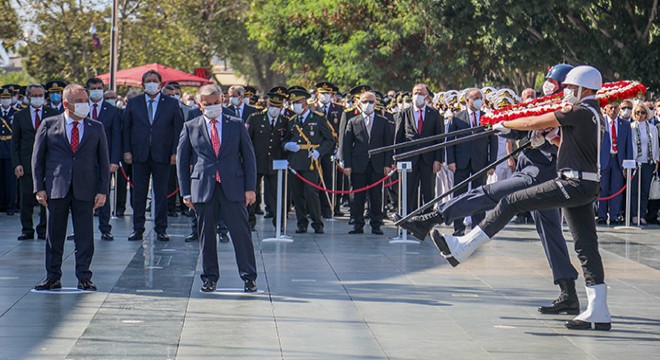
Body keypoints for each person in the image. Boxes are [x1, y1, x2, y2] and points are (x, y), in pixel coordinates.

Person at [431, 66, 612, 331]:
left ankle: (462, 247)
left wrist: (503, 123)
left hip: (572, 183)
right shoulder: (595, 115)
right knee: (586, 246)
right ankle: (599, 310)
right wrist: (549, 140)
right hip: (585, 184)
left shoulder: (579, 111)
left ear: (585, 89)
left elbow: (531, 122)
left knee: (511, 201)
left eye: (571, 88)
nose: (567, 93)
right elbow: (571, 146)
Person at [399, 64, 584, 315]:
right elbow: (523, 128)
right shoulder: (546, 104)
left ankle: (435, 216)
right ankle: (568, 292)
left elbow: (560, 139)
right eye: (548, 79)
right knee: (551, 234)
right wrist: (507, 127)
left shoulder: (569, 110)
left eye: (553, 80)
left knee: (491, 193)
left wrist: (540, 136)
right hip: (530, 169)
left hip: (541, 174)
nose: (548, 83)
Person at [177, 84, 258, 293]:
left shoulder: (236, 124)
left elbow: (248, 158)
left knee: (241, 233)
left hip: (233, 186)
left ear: (222, 101)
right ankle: (210, 277)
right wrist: (185, 192)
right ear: (200, 105)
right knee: (206, 235)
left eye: (215, 103)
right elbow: (182, 160)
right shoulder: (191, 126)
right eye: (207, 104)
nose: (212, 107)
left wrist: (250, 188)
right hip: (203, 187)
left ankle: (249, 277)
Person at [32, 84, 110, 291]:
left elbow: (103, 161)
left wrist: (103, 191)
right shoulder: (49, 125)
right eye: (80, 102)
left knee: (84, 235)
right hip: (56, 188)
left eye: (86, 101)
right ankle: (52, 276)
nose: (85, 105)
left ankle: (84, 276)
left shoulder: (96, 127)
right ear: (66, 104)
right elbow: (37, 160)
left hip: (86, 188)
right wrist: (39, 188)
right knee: (54, 235)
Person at [122, 70, 183, 241]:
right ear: (142, 84)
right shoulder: (134, 103)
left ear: (160, 83)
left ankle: (161, 229)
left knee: (161, 193)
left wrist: (175, 152)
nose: (151, 83)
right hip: (139, 154)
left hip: (162, 154)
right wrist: (126, 150)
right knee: (138, 193)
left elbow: (177, 129)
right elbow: (126, 128)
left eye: (154, 80)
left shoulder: (171, 104)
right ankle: (138, 228)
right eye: (147, 80)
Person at [445, 88, 497, 235]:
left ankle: (478, 227)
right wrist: (451, 161)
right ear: (467, 100)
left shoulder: (487, 118)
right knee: (459, 195)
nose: (479, 100)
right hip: (461, 162)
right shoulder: (457, 118)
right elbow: (450, 141)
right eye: (475, 98)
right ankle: (458, 227)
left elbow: (493, 142)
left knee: (479, 195)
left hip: (480, 163)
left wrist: (492, 163)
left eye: (480, 97)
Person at [283, 88, 334, 234]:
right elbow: (285, 139)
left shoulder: (318, 118)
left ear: (305, 103)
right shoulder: (292, 121)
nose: (294, 106)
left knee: (311, 193)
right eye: (293, 103)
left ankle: (317, 223)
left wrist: (319, 151)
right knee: (297, 194)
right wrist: (287, 145)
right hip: (295, 161)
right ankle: (302, 223)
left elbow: (329, 140)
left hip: (310, 161)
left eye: (297, 102)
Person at [342, 91, 393, 235]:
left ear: (376, 103)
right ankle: (358, 224)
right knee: (357, 196)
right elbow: (347, 145)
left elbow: (388, 144)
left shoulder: (383, 121)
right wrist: (347, 164)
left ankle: (376, 224)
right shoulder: (353, 121)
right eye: (365, 101)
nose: (368, 105)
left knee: (376, 195)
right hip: (358, 164)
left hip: (377, 164)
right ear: (359, 103)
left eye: (371, 101)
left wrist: (387, 164)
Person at [12, 84, 57, 240]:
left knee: (46, 198)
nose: (38, 98)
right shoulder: (20, 116)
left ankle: (43, 229)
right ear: (28, 97)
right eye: (35, 95)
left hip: (47, 163)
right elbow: (15, 143)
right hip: (26, 164)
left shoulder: (53, 114)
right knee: (26, 198)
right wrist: (17, 164)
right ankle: (27, 229)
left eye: (41, 95)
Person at [394, 83, 445, 215]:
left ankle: (426, 222)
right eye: (415, 93)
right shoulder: (404, 113)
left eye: (421, 93)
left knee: (428, 192)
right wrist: (397, 159)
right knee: (407, 192)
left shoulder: (434, 114)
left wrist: (438, 160)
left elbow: (439, 138)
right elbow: (398, 138)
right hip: (409, 159)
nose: (418, 96)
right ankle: (407, 220)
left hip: (428, 159)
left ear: (427, 96)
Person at [246, 90, 289, 228]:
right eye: (272, 106)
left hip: (275, 162)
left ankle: (279, 223)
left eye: (278, 107)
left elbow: (286, 139)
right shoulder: (255, 118)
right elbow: (247, 140)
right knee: (253, 192)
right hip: (256, 161)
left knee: (277, 194)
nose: (275, 109)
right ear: (268, 105)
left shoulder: (285, 121)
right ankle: (249, 221)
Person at [312, 82, 345, 218]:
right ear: (317, 94)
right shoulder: (311, 108)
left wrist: (339, 149)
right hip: (314, 147)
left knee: (330, 179)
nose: (325, 96)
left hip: (331, 149)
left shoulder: (339, 109)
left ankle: (330, 208)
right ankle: (315, 209)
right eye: (322, 93)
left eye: (328, 93)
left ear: (332, 94)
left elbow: (341, 130)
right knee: (314, 180)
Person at [598, 101, 633, 224]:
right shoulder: (600, 123)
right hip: (604, 160)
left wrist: (628, 163)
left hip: (618, 160)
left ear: (619, 109)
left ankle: (615, 215)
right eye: (611, 108)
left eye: (616, 108)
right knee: (602, 189)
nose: (613, 110)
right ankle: (601, 215)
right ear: (606, 109)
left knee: (616, 189)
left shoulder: (625, 124)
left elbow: (629, 145)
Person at [629, 103, 659, 225]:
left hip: (648, 162)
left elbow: (656, 145)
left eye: (642, 112)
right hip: (635, 163)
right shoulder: (630, 127)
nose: (640, 115)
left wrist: (656, 161)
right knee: (634, 190)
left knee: (645, 191)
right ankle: (634, 215)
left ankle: (642, 214)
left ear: (647, 114)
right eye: (637, 112)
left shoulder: (652, 128)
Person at [0, 87, 17, 215]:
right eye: (3, 98)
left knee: (10, 180)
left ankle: (11, 205)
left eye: (7, 98)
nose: (5, 100)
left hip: (10, 148)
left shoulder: (17, 113)